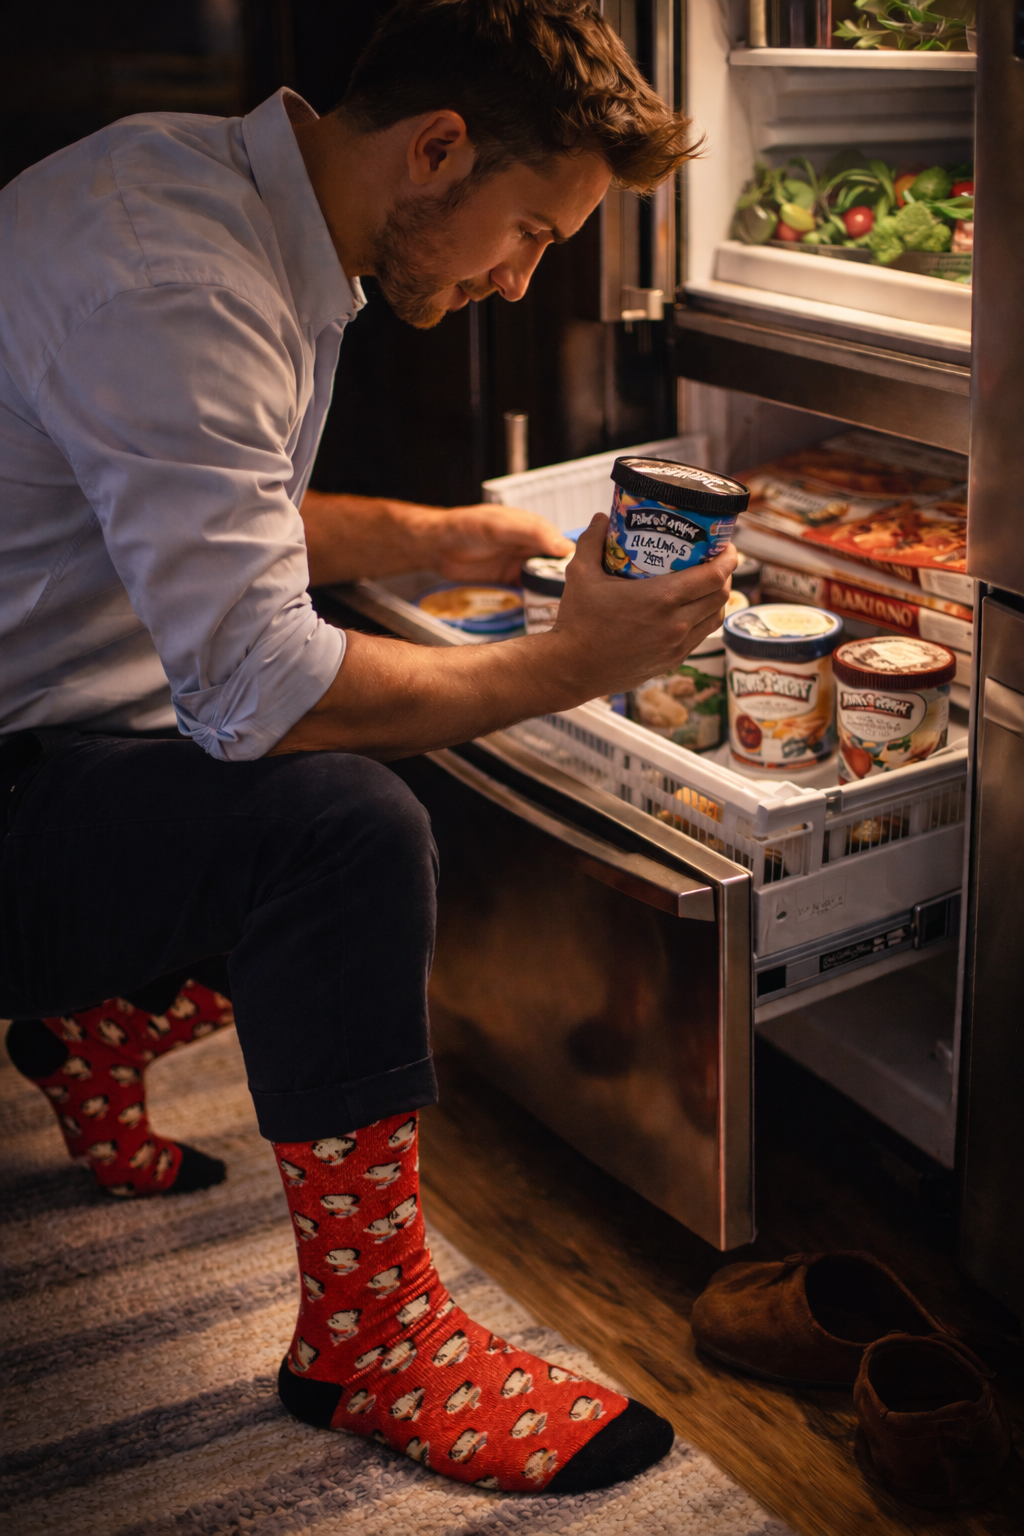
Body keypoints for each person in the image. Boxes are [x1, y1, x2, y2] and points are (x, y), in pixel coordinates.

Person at [0, 0, 732, 1495]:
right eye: (530, 233)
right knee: (346, 829)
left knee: (331, 771)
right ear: (438, 150)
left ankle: (92, 1028)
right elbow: (262, 687)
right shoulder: (180, 282)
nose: (520, 280)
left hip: (52, 725)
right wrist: (573, 664)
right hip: (23, 762)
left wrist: (441, 534)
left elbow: (204, 514)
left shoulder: (191, 185)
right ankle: (374, 1346)